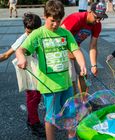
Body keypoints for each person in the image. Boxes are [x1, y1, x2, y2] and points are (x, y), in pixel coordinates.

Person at [16, 1, 87, 140]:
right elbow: (20, 49)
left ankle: (72, 138)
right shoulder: (38, 34)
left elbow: (76, 50)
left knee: (70, 114)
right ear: (45, 16)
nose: (55, 24)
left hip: (66, 84)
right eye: (52, 21)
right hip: (49, 86)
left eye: (58, 21)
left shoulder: (65, 33)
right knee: (51, 118)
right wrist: (21, 58)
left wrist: (82, 63)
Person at [0, 12, 45, 137]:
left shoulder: (41, 33)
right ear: (25, 29)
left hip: (39, 71)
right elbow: (6, 55)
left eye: (33, 32)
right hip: (28, 72)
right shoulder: (23, 38)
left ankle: (31, 119)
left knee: (37, 97)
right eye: (29, 32)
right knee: (33, 97)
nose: (31, 35)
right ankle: (34, 124)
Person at [61, 1, 108, 93]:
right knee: (71, 77)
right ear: (90, 11)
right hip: (62, 48)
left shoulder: (97, 25)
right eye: (96, 17)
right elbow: (60, 36)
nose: (98, 20)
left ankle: (84, 100)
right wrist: (68, 51)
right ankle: (74, 101)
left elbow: (93, 46)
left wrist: (94, 65)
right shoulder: (77, 18)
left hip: (76, 49)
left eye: (101, 18)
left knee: (84, 72)